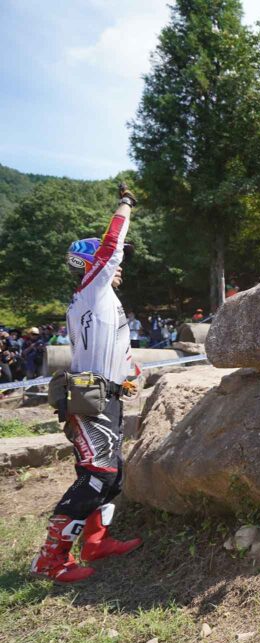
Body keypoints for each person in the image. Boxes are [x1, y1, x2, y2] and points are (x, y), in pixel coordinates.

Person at [30, 183, 143, 584]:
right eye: (113, 260)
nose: (120, 264)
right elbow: (112, 246)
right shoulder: (93, 289)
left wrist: (128, 374)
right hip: (90, 399)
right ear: (91, 264)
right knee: (99, 475)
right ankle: (49, 560)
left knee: (113, 474)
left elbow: (107, 346)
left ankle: (95, 543)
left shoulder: (98, 299)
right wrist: (125, 204)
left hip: (105, 396)